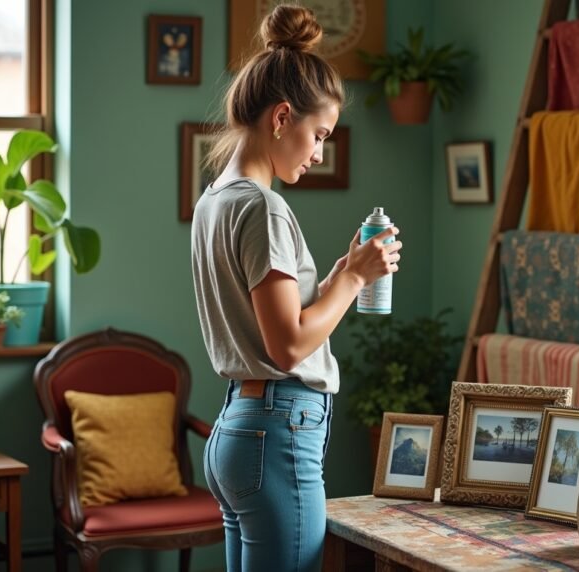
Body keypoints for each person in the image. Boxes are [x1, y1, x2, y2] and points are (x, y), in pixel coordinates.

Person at [190, 5, 401, 571]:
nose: (319, 153)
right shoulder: (263, 209)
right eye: (319, 135)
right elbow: (286, 347)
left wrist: (335, 279)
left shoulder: (215, 200)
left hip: (238, 429)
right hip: (277, 432)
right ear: (283, 117)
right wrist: (354, 279)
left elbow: (271, 321)